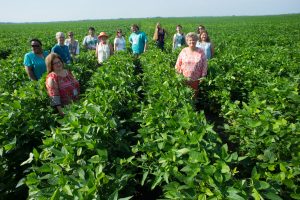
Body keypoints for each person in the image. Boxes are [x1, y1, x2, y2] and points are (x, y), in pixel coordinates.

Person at [175, 32, 207, 98]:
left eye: (194, 40)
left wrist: (203, 76)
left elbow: (204, 64)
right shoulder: (183, 51)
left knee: (193, 97)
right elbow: (178, 63)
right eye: (190, 40)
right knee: (184, 97)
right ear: (187, 41)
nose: (192, 41)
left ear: (197, 41)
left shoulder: (201, 51)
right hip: (183, 79)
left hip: (196, 80)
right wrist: (177, 75)